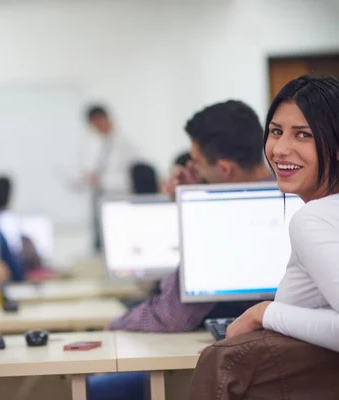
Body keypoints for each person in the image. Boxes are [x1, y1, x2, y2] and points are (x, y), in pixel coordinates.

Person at [88, 100, 271, 400]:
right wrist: (192, 200)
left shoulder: (224, 220)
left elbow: (172, 316)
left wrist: (114, 324)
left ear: (224, 168)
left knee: (95, 391)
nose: (192, 169)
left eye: (197, 162)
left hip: (229, 375)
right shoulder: (289, 197)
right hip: (266, 369)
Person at [190, 76, 339, 399]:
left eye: (303, 135)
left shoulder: (312, 220)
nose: (280, 149)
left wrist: (264, 313)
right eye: (275, 131)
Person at [80, 105, 138, 251]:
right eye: (93, 125)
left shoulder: (126, 145)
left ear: (106, 119)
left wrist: (102, 181)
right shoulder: (96, 146)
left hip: (119, 205)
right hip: (99, 203)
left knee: (118, 247)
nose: (96, 127)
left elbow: (133, 180)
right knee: (100, 247)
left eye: (98, 122)